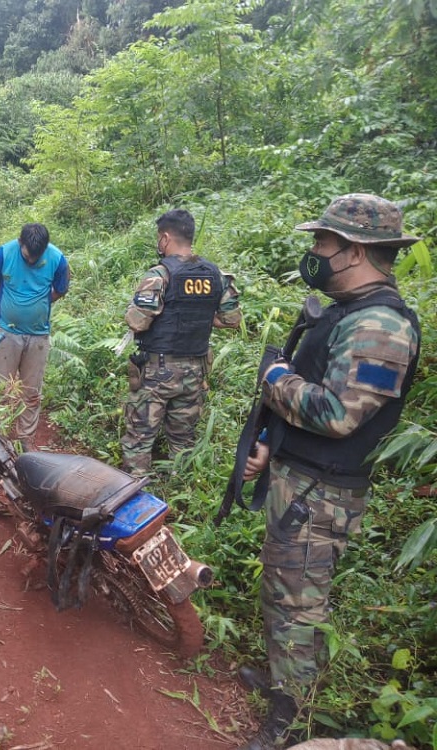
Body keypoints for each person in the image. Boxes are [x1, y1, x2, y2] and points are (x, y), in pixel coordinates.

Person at [238, 194, 421, 749]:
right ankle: (281, 684)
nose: (314, 252)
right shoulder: (348, 312)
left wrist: (274, 377)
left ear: (355, 250)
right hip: (301, 479)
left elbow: (340, 414)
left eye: (323, 242)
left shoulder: (382, 326)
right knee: (282, 589)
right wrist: (274, 447)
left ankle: (291, 719)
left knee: (299, 604)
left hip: (323, 494)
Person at [120, 209, 241, 476]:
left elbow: (138, 322)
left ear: (165, 238)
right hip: (196, 371)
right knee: (183, 440)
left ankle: (134, 494)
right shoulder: (216, 275)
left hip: (157, 371)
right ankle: (178, 492)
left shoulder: (159, 275)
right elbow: (231, 319)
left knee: (140, 439)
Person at [0, 223, 70, 451]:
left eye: (36, 256)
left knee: (32, 392)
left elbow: (60, 290)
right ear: (20, 243)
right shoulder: (2, 254)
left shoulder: (57, 259)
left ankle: (26, 441)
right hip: (6, 333)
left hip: (38, 336)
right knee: (3, 389)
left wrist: (37, 304)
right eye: (27, 255)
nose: (31, 260)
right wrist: (9, 305)